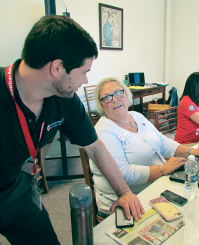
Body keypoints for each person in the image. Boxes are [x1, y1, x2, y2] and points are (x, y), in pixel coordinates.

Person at [0, 15, 143, 245]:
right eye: (84, 71)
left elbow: (95, 147)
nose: (86, 80)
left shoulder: (63, 99)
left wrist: (124, 192)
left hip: (17, 189)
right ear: (57, 67)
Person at [90, 77, 199, 214]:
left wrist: (191, 151)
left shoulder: (135, 116)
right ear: (101, 105)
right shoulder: (103, 132)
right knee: (191, 212)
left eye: (119, 93)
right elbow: (123, 175)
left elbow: (162, 142)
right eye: (107, 97)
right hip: (128, 201)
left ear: (126, 94)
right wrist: (163, 169)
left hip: (156, 184)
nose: (115, 99)